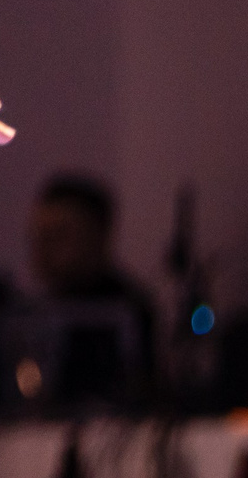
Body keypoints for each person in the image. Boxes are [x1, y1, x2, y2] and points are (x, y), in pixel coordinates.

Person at [28, 173, 158, 406]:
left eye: (59, 235)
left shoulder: (126, 314)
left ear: (98, 236)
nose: (43, 249)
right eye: (38, 236)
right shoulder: (34, 313)